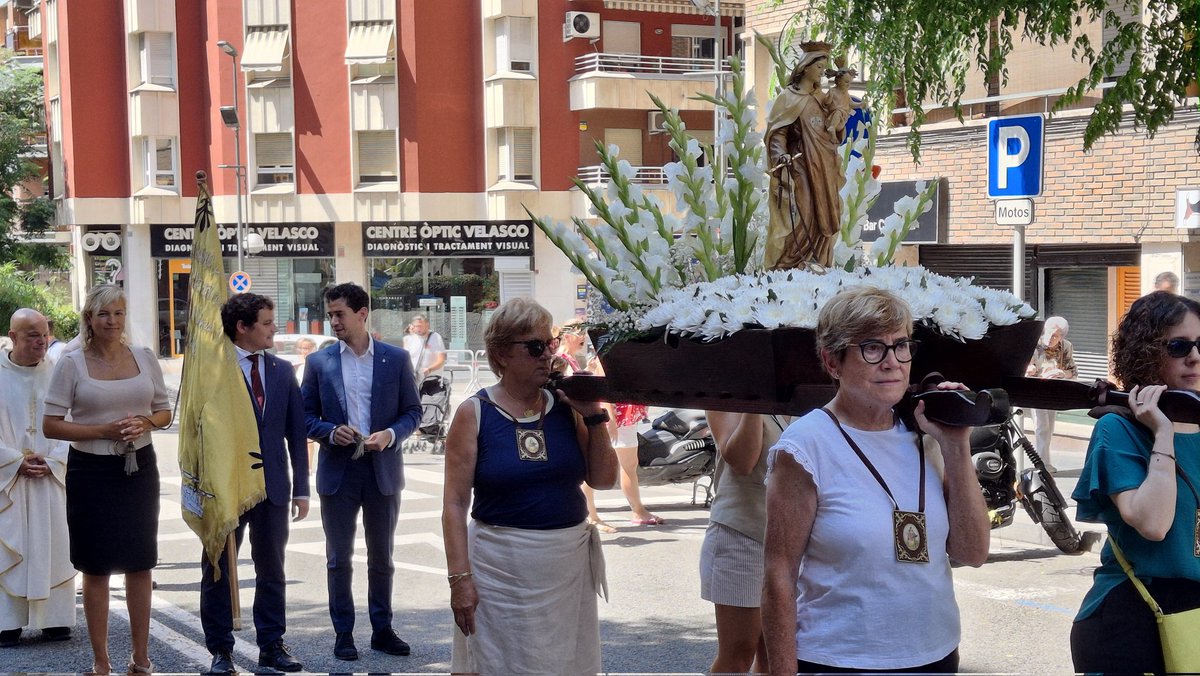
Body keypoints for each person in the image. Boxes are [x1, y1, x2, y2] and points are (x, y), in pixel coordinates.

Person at [762, 287, 990, 674]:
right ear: (832, 361)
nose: (892, 363)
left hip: (935, 656)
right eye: (872, 348)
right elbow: (778, 573)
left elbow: (973, 552)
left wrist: (955, 445)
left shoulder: (925, 434)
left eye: (900, 346)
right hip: (840, 661)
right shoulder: (806, 446)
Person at [441, 298, 618, 674]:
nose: (548, 354)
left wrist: (594, 417)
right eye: (535, 346)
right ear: (501, 354)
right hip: (499, 574)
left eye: (550, 344)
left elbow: (604, 480)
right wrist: (460, 580)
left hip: (566, 572)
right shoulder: (474, 413)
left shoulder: (566, 406)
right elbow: (454, 504)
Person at [42, 284, 171, 676]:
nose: (112, 321)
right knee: (95, 567)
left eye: (118, 313)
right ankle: (101, 662)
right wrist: (103, 430)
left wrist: (145, 422)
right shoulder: (71, 363)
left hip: (139, 468)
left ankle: (141, 658)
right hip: (90, 471)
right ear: (90, 319)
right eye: (103, 314)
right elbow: (51, 425)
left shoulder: (144, 357)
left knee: (140, 563)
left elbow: (164, 412)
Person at [1069, 291, 1200, 673]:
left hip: (1191, 616)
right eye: (1179, 346)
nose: (1194, 356)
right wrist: (1163, 433)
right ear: (1146, 352)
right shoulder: (1118, 428)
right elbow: (1153, 524)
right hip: (1132, 619)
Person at [300, 282, 422, 661]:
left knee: (381, 557)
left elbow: (413, 412)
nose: (333, 321)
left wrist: (390, 435)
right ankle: (344, 633)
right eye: (330, 315)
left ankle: (382, 630)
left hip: (381, 469)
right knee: (339, 559)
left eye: (339, 314)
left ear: (362, 314)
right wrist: (329, 431)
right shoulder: (319, 362)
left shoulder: (395, 359)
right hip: (338, 471)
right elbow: (304, 416)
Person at [202, 293, 309, 674]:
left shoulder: (281, 370)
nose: (273, 329)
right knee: (218, 568)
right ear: (242, 327)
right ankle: (220, 650)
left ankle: (272, 644)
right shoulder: (212, 370)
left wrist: (301, 488)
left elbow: (297, 432)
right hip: (226, 488)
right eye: (266, 323)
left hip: (273, 486)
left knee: (272, 569)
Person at [0, 309, 74, 648]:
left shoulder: (59, 373)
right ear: (13, 337)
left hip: (50, 477)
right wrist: (13, 461)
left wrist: (55, 460)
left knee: (54, 544)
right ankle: (7, 622)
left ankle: (55, 619)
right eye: (32, 335)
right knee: (8, 542)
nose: (41, 341)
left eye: (44, 334)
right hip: (8, 481)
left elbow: (74, 421)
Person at [700, 412, 789, 673]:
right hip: (742, 535)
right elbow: (742, 462)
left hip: (791, 542)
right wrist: (755, 405)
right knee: (738, 654)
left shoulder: (805, 396)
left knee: (777, 656)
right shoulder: (728, 399)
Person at [763, 41, 845, 270]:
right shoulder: (788, 98)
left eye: (824, 68)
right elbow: (778, 133)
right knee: (804, 211)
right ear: (805, 66)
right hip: (801, 164)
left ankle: (819, 262)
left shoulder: (822, 98)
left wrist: (839, 121)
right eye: (818, 67)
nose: (822, 72)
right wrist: (780, 155)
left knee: (826, 213)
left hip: (824, 163)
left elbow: (834, 128)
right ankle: (789, 264)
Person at [1025, 316, 1077, 472]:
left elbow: (1073, 372)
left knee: (1049, 427)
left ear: (1061, 337)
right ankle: (1042, 464)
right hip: (1034, 390)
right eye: (1048, 333)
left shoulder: (1066, 346)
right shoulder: (1033, 344)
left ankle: (1045, 461)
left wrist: (1061, 373)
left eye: (1055, 335)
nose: (1050, 338)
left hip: (1053, 391)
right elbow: (1021, 365)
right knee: (1042, 427)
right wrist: (1028, 369)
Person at [402, 313, 446, 380]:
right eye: (416, 326)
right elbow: (405, 359)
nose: (418, 328)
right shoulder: (409, 339)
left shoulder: (435, 337)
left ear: (427, 325)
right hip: (413, 379)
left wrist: (429, 369)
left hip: (431, 380)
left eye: (420, 326)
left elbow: (441, 360)